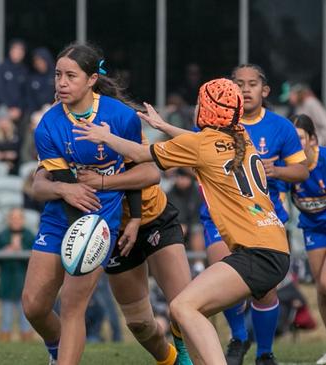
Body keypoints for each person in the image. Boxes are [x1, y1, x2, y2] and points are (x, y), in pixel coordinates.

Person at [74, 78, 291, 365]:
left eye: (201, 102)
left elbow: (140, 154)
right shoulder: (242, 137)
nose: (197, 106)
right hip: (275, 247)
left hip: (256, 252)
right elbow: (199, 143)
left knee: (184, 306)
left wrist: (105, 136)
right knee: (188, 307)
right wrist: (164, 127)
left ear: (208, 111)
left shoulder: (200, 144)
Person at [21, 43, 143, 365]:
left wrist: (134, 216)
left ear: (91, 80)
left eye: (70, 76)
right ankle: (57, 348)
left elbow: (137, 171)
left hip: (100, 221)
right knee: (33, 306)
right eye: (58, 75)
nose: (61, 82)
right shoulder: (48, 124)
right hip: (59, 217)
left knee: (74, 306)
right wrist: (64, 189)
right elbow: (53, 184)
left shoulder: (121, 117)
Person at [33, 132, 194, 364]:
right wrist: (62, 189)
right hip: (110, 231)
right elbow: (39, 184)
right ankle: (170, 360)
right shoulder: (56, 130)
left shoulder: (118, 120)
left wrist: (101, 182)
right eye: (57, 95)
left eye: (63, 95)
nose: (60, 99)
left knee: (183, 305)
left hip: (153, 219)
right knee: (139, 324)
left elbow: (149, 174)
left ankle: (187, 355)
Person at [196, 65, 307, 365]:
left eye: (252, 84)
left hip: (264, 217)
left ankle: (264, 353)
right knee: (224, 277)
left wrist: (277, 170)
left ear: (265, 90)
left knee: (264, 290)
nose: (245, 89)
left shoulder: (280, 127)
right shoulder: (212, 123)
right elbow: (191, 154)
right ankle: (238, 337)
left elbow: (301, 170)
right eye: (239, 84)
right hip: (220, 217)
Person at [289, 114, 326, 365]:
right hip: (312, 229)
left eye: (300, 138)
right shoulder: (288, 165)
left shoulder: (323, 160)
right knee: (321, 291)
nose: (295, 142)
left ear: (312, 140)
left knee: (324, 284)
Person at [0, 207, 34, 342]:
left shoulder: (29, 236)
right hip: (7, 284)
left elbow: (36, 260)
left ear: (23, 220)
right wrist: (5, 252)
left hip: (25, 283)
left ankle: (27, 344)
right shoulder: (2, 235)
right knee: (6, 319)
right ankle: (4, 343)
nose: (16, 221)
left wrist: (21, 251)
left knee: (26, 320)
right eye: (13, 218)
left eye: (18, 218)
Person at [0, 39, 28, 122]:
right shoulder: (0, 68)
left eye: (21, 51)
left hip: (19, 109)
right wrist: (10, 107)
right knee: (3, 118)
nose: (18, 53)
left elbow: (25, 93)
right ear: (10, 51)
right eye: (16, 50)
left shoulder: (25, 71)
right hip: (2, 106)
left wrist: (19, 108)